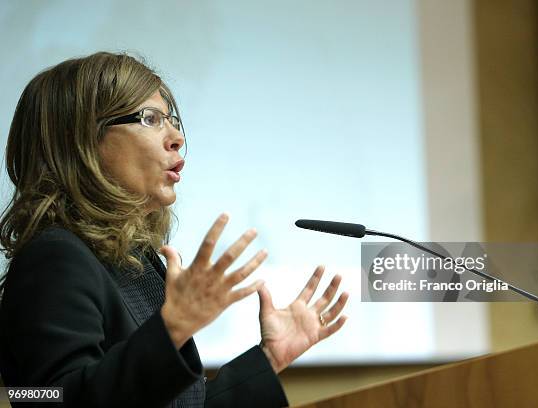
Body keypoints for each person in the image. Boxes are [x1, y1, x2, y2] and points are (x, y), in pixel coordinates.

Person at [0, 52, 349, 407]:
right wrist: (172, 328)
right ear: (81, 141)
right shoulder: (54, 259)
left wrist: (269, 357)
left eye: (172, 119)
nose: (177, 137)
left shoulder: (132, 261)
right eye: (150, 119)